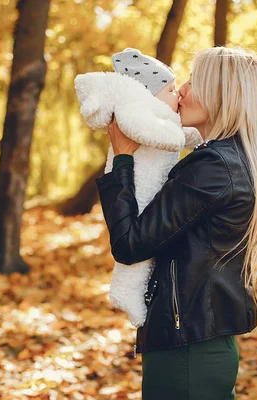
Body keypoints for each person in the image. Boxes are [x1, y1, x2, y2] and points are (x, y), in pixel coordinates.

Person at [95, 46, 257, 400]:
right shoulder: (226, 159)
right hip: (197, 342)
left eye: (195, 81)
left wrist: (121, 159)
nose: (181, 88)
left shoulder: (213, 167)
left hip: (187, 350)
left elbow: (129, 244)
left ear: (220, 95)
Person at [75, 48, 201, 328]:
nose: (178, 93)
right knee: (137, 251)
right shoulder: (135, 110)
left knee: (147, 247)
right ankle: (125, 292)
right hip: (138, 187)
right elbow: (146, 129)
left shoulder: (165, 117)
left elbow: (190, 135)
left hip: (152, 189)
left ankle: (130, 293)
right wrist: (176, 137)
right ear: (148, 92)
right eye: (170, 89)